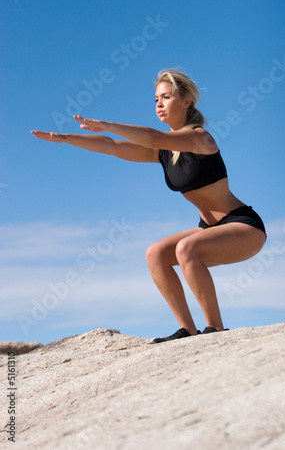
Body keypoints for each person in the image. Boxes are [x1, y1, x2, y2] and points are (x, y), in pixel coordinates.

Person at [31, 69, 267, 343]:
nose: (158, 104)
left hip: (242, 226)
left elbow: (154, 137)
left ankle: (214, 329)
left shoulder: (200, 138)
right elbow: (113, 147)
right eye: (156, 98)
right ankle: (187, 329)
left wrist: (107, 123)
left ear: (186, 102)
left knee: (186, 248)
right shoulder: (165, 152)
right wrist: (65, 139)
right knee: (155, 254)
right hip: (207, 230)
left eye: (166, 97)